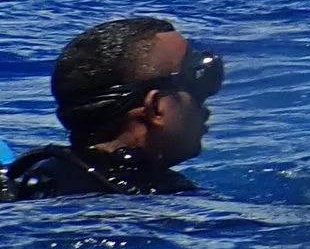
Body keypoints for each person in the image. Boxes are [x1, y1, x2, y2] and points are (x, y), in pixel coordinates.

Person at [4, 16, 217, 199]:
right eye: (195, 87)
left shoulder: (32, 175)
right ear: (155, 108)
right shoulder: (161, 196)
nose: (205, 110)